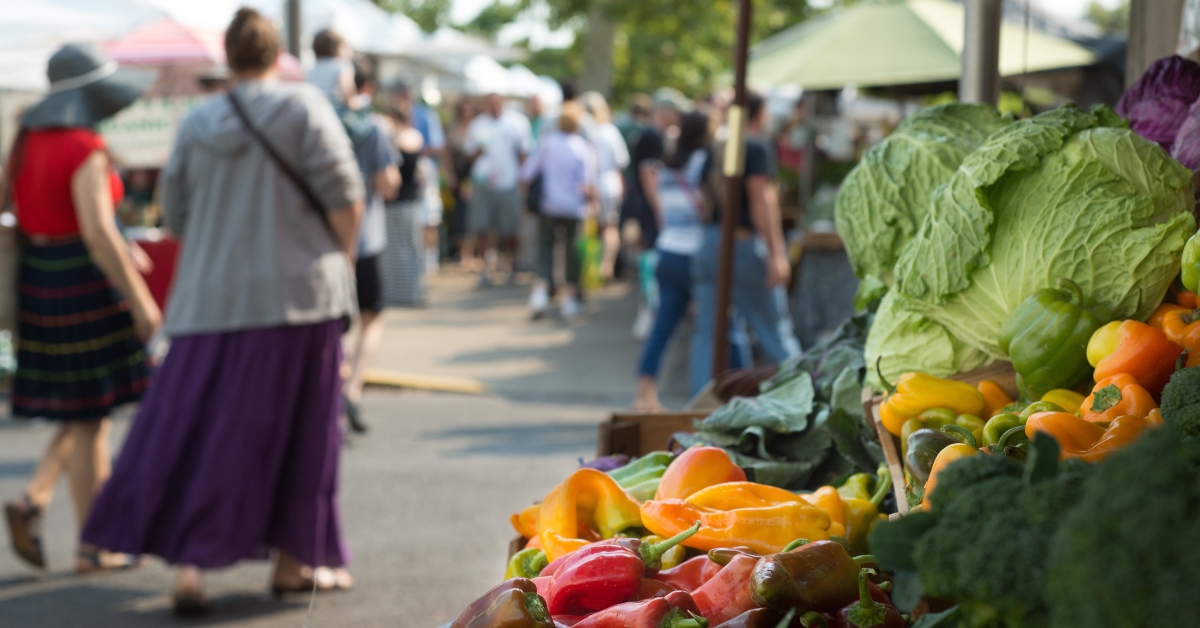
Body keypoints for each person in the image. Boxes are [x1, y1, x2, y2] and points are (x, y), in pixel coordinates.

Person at [80, 9, 364, 614]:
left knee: (197, 433)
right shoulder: (305, 107)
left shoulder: (197, 120)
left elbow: (177, 214)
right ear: (276, 54)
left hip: (208, 300)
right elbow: (346, 194)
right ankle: (294, 563)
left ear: (227, 58)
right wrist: (338, 259)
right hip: (300, 296)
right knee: (302, 436)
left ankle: (190, 569)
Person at [3, 44, 160, 573]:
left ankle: (41, 500)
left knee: (81, 412)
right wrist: (140, 300)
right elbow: (96, 230)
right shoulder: (86, 147)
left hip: (38, 280)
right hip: (83, 284)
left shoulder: (24, 140)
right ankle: (95, 545)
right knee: (92, 418)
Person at [690, 91, 801, 395]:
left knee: (709, 333)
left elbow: (703, 197)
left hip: (710, 241)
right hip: (742, 243)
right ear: (760, 113)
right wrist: (777, 253)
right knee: (773, 330)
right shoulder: (755, 146)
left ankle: (700, 406)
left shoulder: (717, 147)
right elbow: (761, 200)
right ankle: (805, 395)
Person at [341, 59, 400, 434]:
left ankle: (336, 384)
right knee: (372, 318)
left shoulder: (324, 122)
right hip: (365, 240)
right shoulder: (374, 127)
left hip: (330, 241)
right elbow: (387, 185)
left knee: (337, 323)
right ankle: (353, 387)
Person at [520, 102, 597, 320]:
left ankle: (540, 294)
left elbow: (527, 173)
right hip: (574, 207)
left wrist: (527, 198)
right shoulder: (582, 147)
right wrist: (593, 202)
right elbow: (587, 182)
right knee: (571, 251)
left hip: (548, 205)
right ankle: (569, 299)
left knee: (545, 248)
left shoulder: (547, 143)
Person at [626, 93, 681, 340]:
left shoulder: (654, 135)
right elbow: (648, 175)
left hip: (648, 205)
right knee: (650, 257)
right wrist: (660, 210)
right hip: (649, 206)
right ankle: (649, 311)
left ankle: (651, 311)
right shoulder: (650, 136)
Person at [463, 92, 533, 286]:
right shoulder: (477, 124)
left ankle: (511, 267)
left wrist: (523, 181)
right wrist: (479, 151)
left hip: (508, 184)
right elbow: (468, 154)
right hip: (483, 184)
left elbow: (524, 153)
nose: (493, 107)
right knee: (482, 229)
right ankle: (483, 271)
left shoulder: (517, 123)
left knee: (510, 230)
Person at [378, 106, 428, 305]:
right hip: (404, 202)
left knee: (404, 250)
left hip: (401, 202)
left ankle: (408, 294)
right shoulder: (403, 137)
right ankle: (407, 294)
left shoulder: (402, 138)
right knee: (405, 250)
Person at [581, 91, 630, 282]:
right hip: (610, 185)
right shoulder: (610, 131)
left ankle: (592, 269)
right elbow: (621, 161)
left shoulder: (586, 132)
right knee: (610, 228)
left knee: (591, 230)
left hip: (591, 186)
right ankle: (606, 267)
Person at [307, 28, 354, 106]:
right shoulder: (342, 66)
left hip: (315, 106)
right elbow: (347, 93)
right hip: (334, 108)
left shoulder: (310, 69)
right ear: (337, 48)